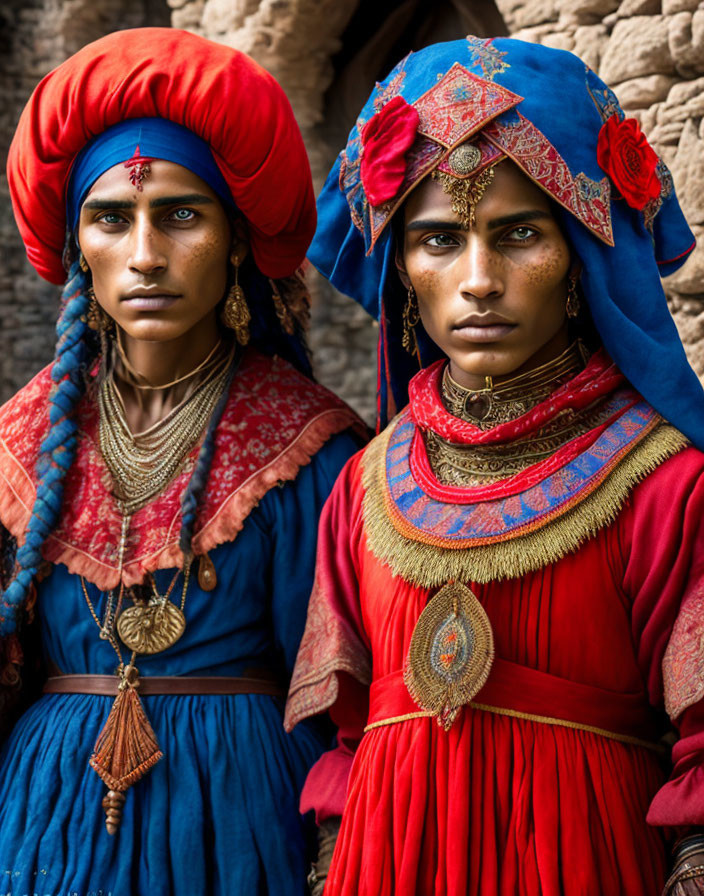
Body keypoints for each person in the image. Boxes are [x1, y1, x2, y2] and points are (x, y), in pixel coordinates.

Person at [284, 36, 704, 896]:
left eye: (519, 235)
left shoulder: (666, 487)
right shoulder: (363, 491)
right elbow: (345, 743)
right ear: (401, 264)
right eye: (438, 238)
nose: (477, 280)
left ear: (585, 257)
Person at [0, 27, 364, 896]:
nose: (147, 256)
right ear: (78, 244)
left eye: (182, 215)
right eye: (112, 219)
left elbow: (336, 694)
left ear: (238, 239)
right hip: (43, 822)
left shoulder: (307, 446)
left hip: (240, 821)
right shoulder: (17, 442)